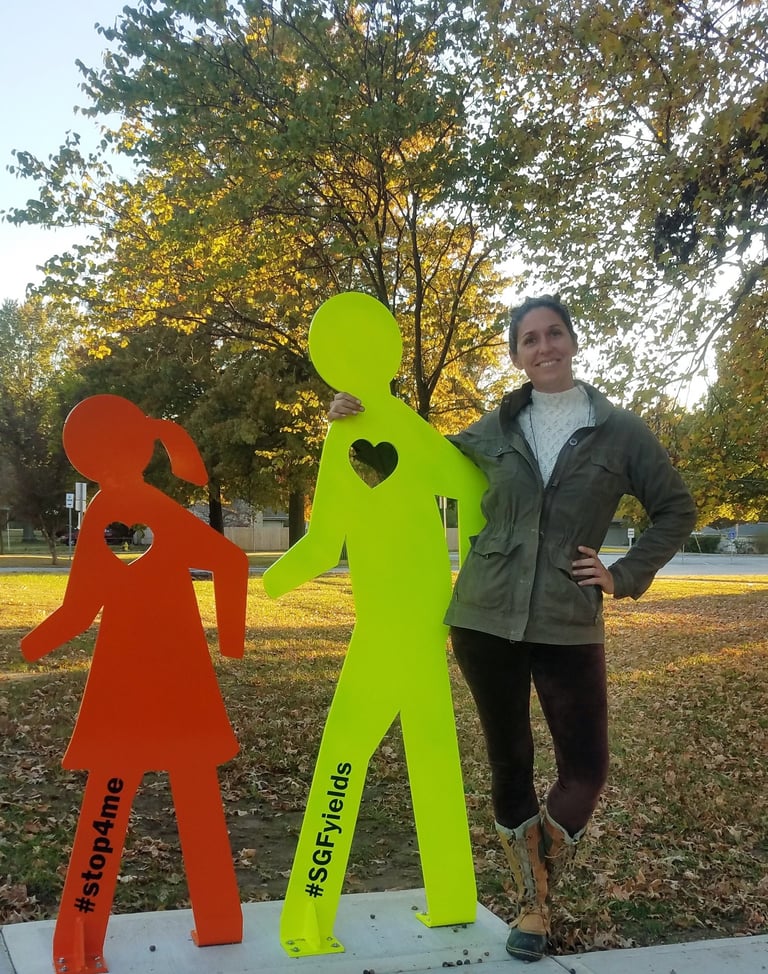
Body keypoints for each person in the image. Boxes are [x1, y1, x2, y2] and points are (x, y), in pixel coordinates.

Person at [328, 294, 697, 963]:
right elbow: (404, 469)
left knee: (586, 768)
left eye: (555, 333)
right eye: (529, 339)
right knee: (510, 762)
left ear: (573, 342)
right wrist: (355, 423)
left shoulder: (622, 432)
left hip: (567, 620)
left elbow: (676, 507)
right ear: (516, 354)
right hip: (484, 619)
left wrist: (624, 572)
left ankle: (536, 877)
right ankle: (533, 906)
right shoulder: (491, 430)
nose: (544, 347)